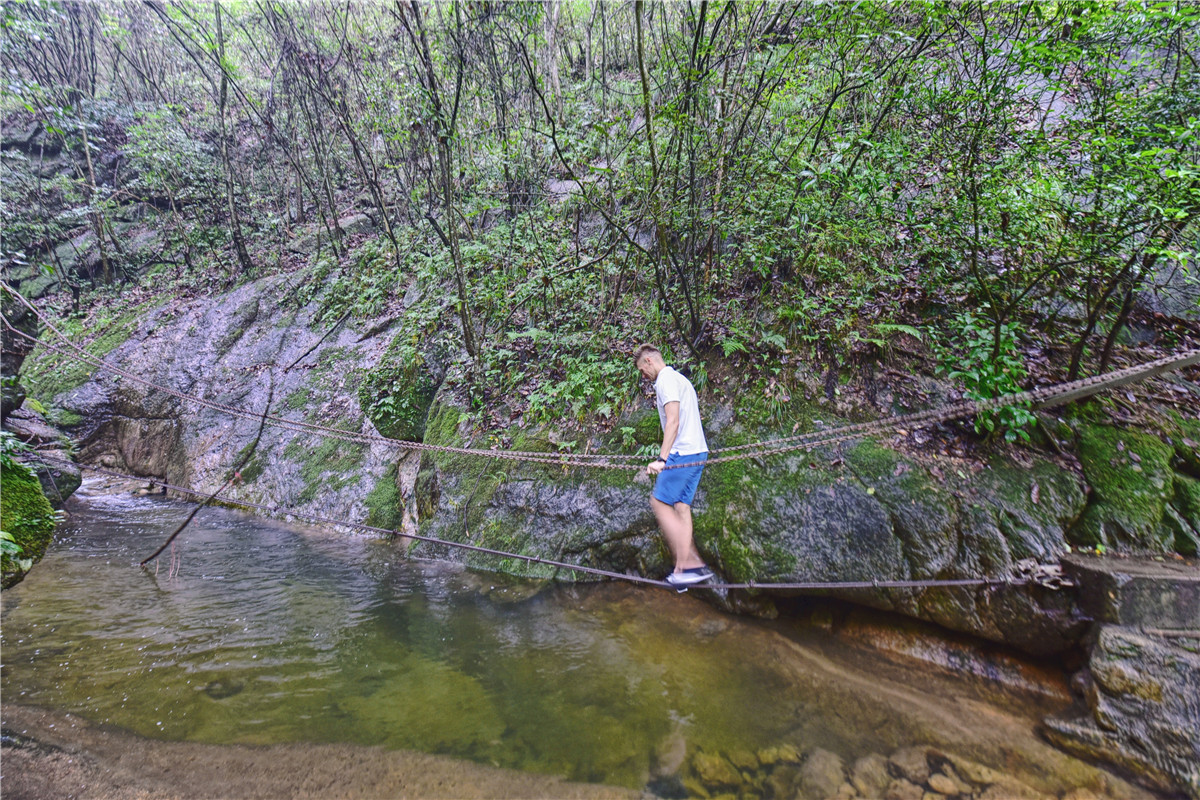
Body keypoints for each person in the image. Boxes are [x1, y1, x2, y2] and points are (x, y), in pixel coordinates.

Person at [633, 344, 714, 589]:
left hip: (683, 452)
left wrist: (662, 459)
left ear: (649, 361)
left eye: (642, 370)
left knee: (659, 502)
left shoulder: (667, 380)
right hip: (698, 450)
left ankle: (689, 564)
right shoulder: (678, 379)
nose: (643, 376)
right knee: (681, 506)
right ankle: (684, 569)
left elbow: (673, 420)